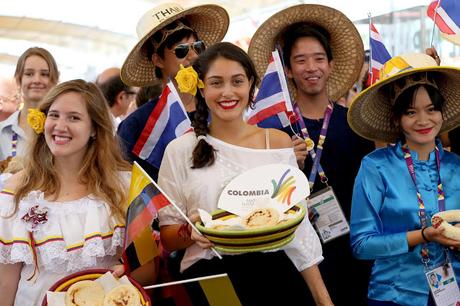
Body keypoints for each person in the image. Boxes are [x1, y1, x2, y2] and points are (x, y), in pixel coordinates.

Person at [158, 42, 332, 306]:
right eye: (216, 83)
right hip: (213, 278)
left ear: (251, 84)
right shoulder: (180, 150)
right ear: (201, 86)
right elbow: (169, 235)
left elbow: (297, 228)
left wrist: (323, 300)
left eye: (237, 81)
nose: (227, 92)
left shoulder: (276, 142)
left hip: (278, 276)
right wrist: (189, 231)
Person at [248, 4, 375, 305]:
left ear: (331, 64)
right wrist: (283, 162)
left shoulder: (354, 122)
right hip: (296, 254)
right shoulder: (273, 129)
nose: (311, 67)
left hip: (351, 249)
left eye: (319, 58)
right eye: (300, 60)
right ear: (288, 70)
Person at [0, 80, 153, 306]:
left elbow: (148, 272)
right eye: (54, 115)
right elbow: (6, 281)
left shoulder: (126, 184)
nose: (60, 126)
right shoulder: (16, 190)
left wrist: (128, 272)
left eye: (74, 117)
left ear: (94, 129)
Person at [348, 53, 460, 306]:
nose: (423, 120)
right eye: (411, 112)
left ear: (442, 113)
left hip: (452, 292)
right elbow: (362, 245)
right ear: (397, 118)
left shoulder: (457, 166)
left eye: (432, 109)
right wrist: (423, 235)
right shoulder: (376, 167)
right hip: (394, 295)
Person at [117, 2, 229, 181]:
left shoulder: (224, 104)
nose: (193, 56)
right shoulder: (137, 125)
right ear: (158, 60)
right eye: (182, 50)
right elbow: (127, 185)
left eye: (198, 46)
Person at [0, 47, 59, 160]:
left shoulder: (61, 131)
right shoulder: (2, 132)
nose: (37, 80)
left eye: (44, 74)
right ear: (18, 80)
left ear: (54, 80)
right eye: (29, 74)